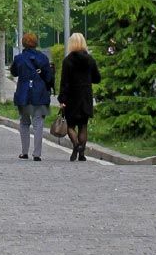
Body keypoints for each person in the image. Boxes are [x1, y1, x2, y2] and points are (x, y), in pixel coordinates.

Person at [11, 30, 55, 162]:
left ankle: (24, 152)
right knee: (38, 123)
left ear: (23, 43)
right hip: (39, 94)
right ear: (36, 43)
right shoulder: (43, 58)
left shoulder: (19, 58)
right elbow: (48, 77)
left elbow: (14, 72)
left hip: (24, 94)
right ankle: (37, 154)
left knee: (24, 123)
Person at [58, 31, 101, 162]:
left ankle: (76, 145)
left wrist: (62, 99)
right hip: (86, 95)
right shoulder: (90, 60)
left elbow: (64, 82)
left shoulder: (68, 61)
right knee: (83, 125)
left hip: (72, 96)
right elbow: (97, 78)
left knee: (71, 125)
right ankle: (82, 153)